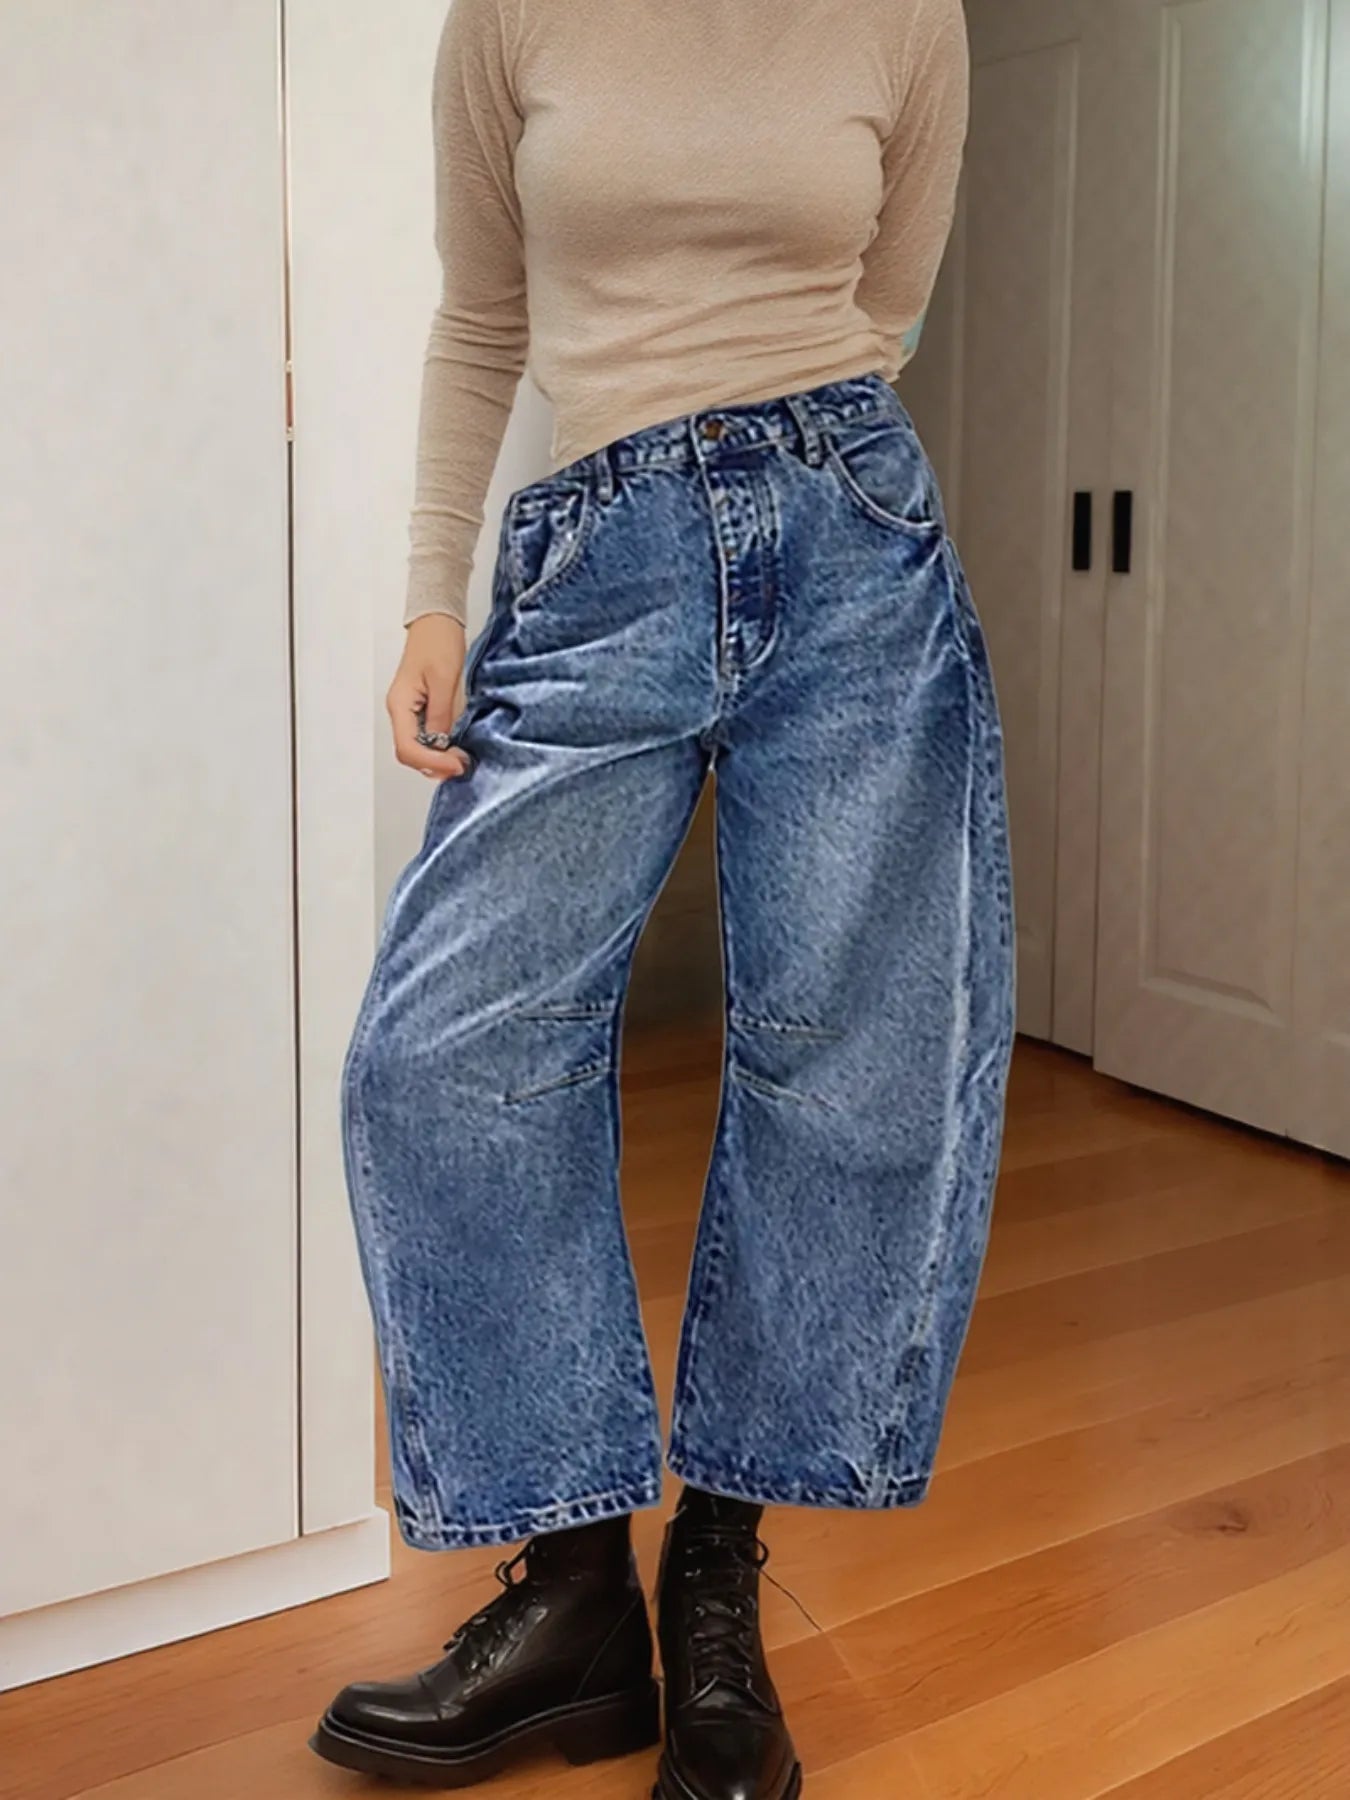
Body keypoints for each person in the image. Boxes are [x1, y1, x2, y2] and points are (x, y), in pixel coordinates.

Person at [309, 1, 1014, 1795]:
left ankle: (713, 1580)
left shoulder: (899, 14)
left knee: (846, 1073)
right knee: (440, 1056)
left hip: (852, 545)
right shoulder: (513, 15)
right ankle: (567, 1601)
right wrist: (429, 599)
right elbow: (486, 318)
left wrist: (768, 469)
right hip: (591, 549)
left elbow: (887, 306)